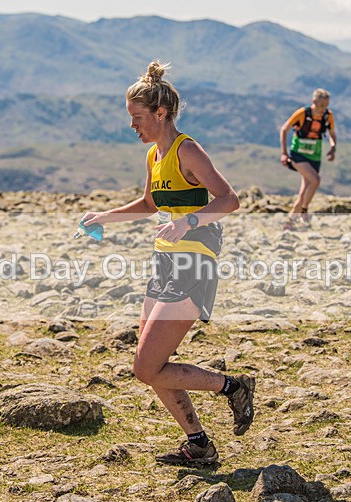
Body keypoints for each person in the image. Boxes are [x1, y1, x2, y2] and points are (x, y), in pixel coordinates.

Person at [81, 61, 255, 466]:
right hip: (164, 263)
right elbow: (148, 205)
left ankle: (233, 387)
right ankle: (199, 444)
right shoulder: (154, 156)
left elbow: (229, 199)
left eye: (138, 118)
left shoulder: (187, 150)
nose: (132, 126)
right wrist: (102, 217)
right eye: (130, 118)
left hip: (194, 264)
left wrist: (189, 221)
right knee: (151, 363)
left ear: (160, 113)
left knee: (146, 367)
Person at [280, 88, 337, 230]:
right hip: (298, 155)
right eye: (321, 105)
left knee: (305, 191)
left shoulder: (328, 116)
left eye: (326, 106)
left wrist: (333, 147)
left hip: (315, 156)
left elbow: (332, 133)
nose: (323, 109)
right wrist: (284, 153)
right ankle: (304, 211)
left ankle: (290, 221)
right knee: (315, 180)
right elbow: (284, 129)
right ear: (314, 102)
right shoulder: (302, 114)